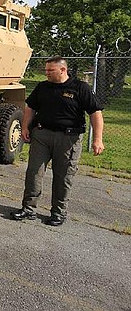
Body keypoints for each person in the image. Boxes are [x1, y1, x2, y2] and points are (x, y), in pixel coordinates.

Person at [10, 56, 104, 226]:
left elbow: (95, 113)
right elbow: (30, 108)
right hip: (42, 135)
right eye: (46, 70)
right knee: (33, 172)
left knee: (63, 176)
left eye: (50, 70)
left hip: (68, 139)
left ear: (62, 70)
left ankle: (58, 213)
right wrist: (25, 127)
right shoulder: (42, 87)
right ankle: (28, 209)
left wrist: (97, 139)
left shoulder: (79, 88)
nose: (46, 73)